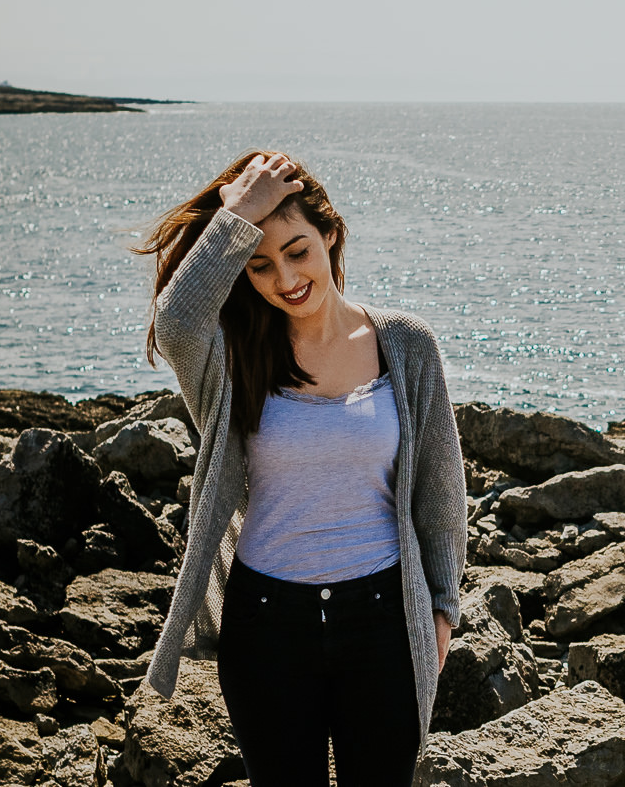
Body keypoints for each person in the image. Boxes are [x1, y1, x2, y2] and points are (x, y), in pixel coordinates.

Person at [134, 151, 468, 787]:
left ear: (331, 235)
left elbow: (441, 494)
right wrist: (238, 214)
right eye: (259, 264)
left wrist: (442, 613)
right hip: (267, 625)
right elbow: (175, 321)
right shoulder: (234, 358)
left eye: (297, 251)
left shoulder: (405, 343)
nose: (283, 277)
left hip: (384, 617)